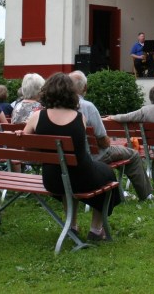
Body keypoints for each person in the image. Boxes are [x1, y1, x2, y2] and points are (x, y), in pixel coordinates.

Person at [22, 73, 121, 242]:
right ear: (71, 94)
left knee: (67, 175)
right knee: (108, 174)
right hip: (81, 178)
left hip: (52, 179)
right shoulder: (79, 118)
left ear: (47, 92)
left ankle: (72, 226)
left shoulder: (37, 117)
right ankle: (96, 230)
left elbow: (26, 144)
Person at [67, 70, 154, 201]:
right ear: (85, 87)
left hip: (66, 159)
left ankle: (119, 191)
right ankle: (147, 196)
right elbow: (103, 141)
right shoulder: (88, 107)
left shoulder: (55, 107)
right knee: (133, 155)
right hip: (93, 156)